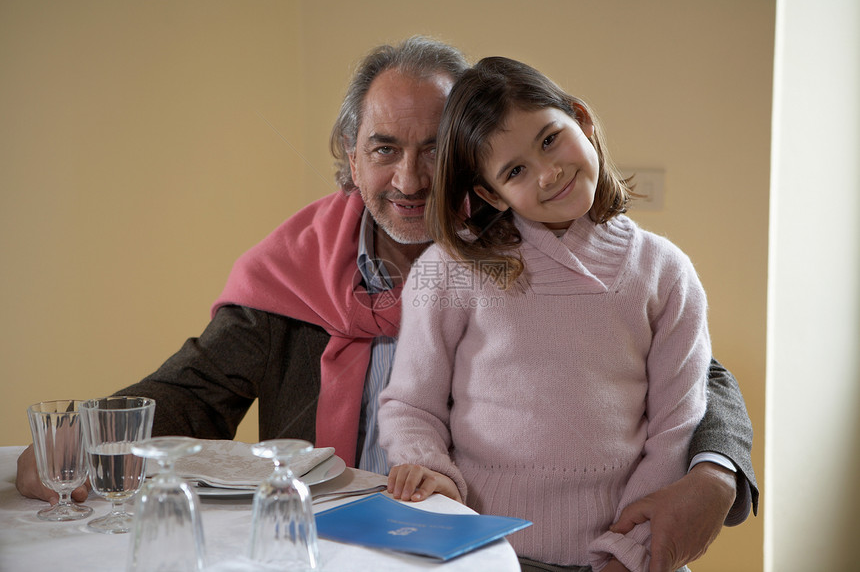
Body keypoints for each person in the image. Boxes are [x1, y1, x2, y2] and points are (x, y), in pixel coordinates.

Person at [15, 36, 757, 572]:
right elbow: (193, 390)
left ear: (474, 161)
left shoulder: (535, 259)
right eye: (383, 147)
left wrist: (717, 471)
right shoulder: (295, 272)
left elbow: (694, 376)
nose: (410, 178)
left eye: (436, 149)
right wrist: (85, 438)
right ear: (348, 152)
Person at [378, 55, 739, 572]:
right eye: (515, 171)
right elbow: (411, 406)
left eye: (550, 139)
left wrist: (631, 551)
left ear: (582, 120)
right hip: (484, 551)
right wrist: (432, 476)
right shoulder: (451, 269)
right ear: (490, 194)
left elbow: (675, 429)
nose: (549, 174)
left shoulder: (665, 271)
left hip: (622, 557)